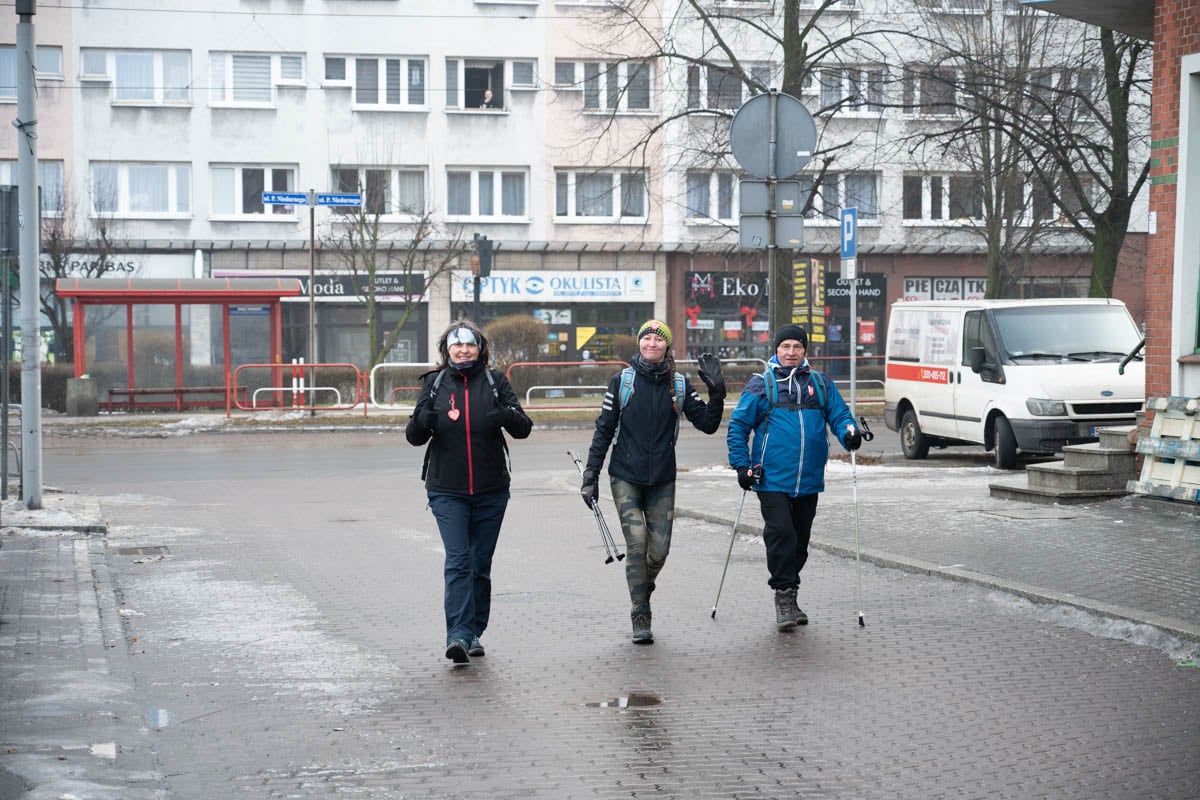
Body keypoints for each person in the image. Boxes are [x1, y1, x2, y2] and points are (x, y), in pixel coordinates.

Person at [581, 319, 726, 644]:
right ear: (639, 343)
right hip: (625, 477)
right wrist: (591, 474)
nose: (651, 343)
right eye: (646, 338)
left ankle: (642, 585)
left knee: (659, 552)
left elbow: (707, 424)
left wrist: (717, 393)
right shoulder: (623, 381)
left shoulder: (678, 384)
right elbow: (604, 429)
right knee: (637, 545)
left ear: (667, 346)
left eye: (658, 339)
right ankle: (640, 613)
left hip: (662, 478)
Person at [406, 320, 533, 664]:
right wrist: (423, 421)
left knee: (479, 563)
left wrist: (504, 415)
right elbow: (413, 436)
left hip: (492, 490)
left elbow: (524, 428)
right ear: (446, 350)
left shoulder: (496, 382)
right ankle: (458, 635)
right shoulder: (434, 384)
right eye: (456, 345)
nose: (463, 350)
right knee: (459, 560)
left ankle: (474, 631)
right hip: (447, 490)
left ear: (480, 348)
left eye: (470, 345)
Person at [726, 324, 862, 631]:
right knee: (782, 535)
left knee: (800, 543)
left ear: (804, 351)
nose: (791, 352)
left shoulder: (821, 383)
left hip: (809, 480)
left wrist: (849, 434)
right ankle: (783, 597)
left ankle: (792, 593)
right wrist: (741, 466)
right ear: (776, 350)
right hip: (770, 478)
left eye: (797, 347)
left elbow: (840, 417)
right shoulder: (762, 385)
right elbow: (737, 428)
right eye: (785, 346)